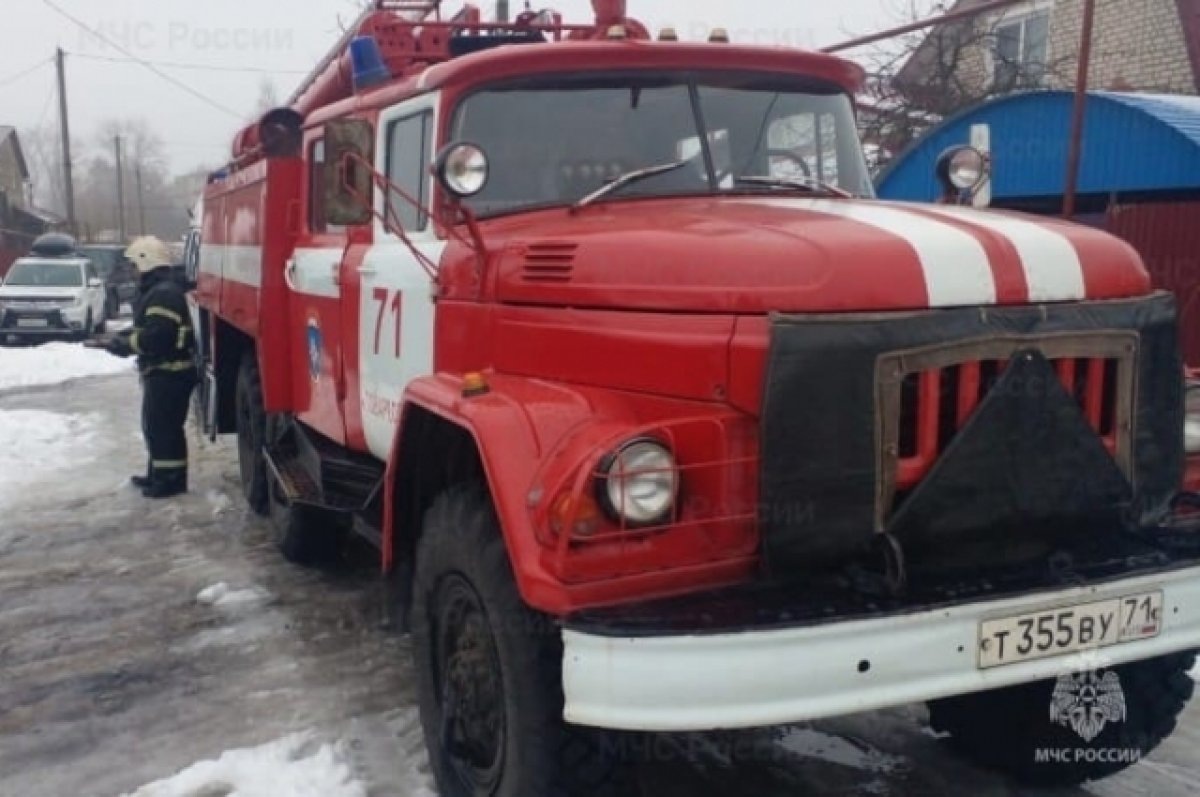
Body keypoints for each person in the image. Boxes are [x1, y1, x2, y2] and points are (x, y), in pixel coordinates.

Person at [103, 236, 197, 499]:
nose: (132, 271)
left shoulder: (163, 294)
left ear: (146, 262)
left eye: (134, 264)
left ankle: (170, 481)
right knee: (155, 427)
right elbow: (150, 327)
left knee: (163, 428)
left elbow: (159, 336)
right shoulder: (159, 291)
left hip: (171, 371)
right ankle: (158, 473)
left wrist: (125, 345)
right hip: (164, 371)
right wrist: (123, 336)